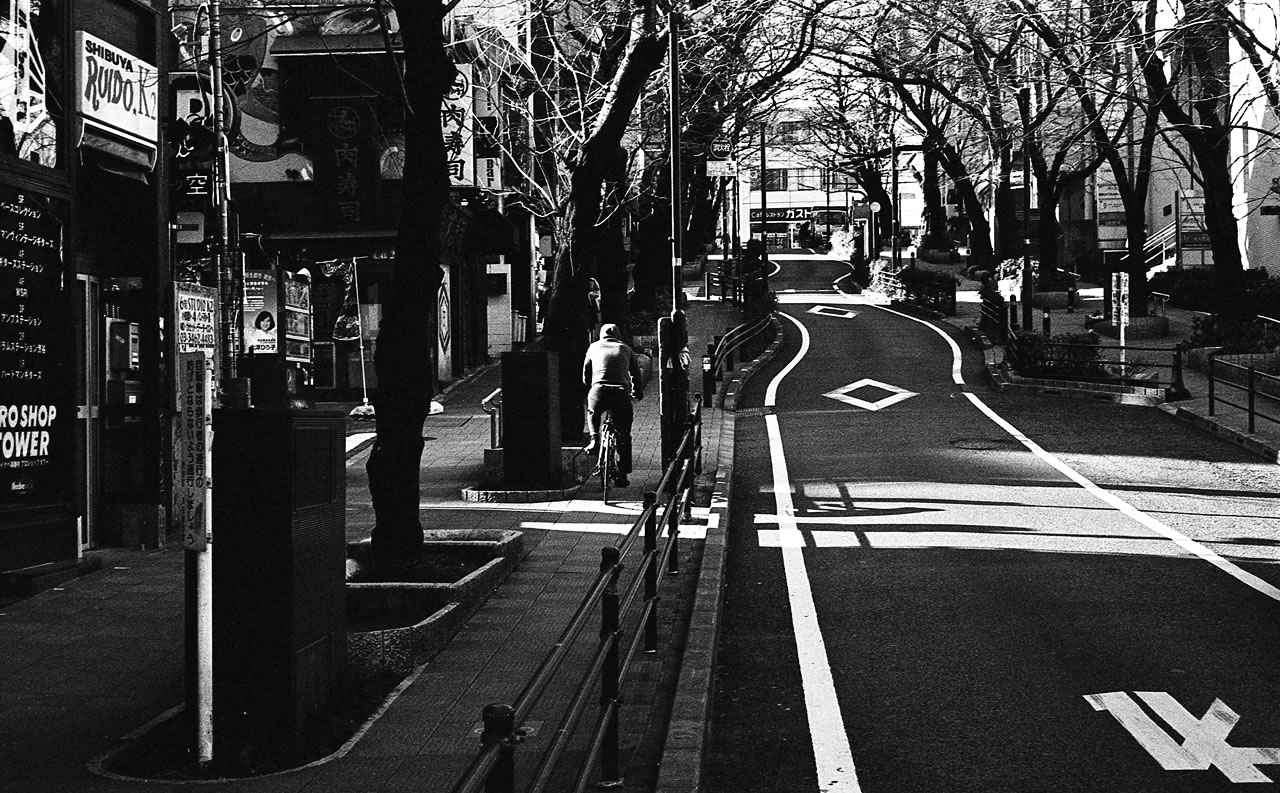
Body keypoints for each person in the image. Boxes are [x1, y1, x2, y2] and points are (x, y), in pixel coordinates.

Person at [582, 323, 644, 488]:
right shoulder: (625, 348)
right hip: (620, 392)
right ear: (617, 335)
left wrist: (591, 387)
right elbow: (636, 373)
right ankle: (622, 475)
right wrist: (638, 392)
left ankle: (595, 439)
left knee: (593, 412)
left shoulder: (593, 347)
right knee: (624, 435)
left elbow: (586, 373)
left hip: (599, 391)